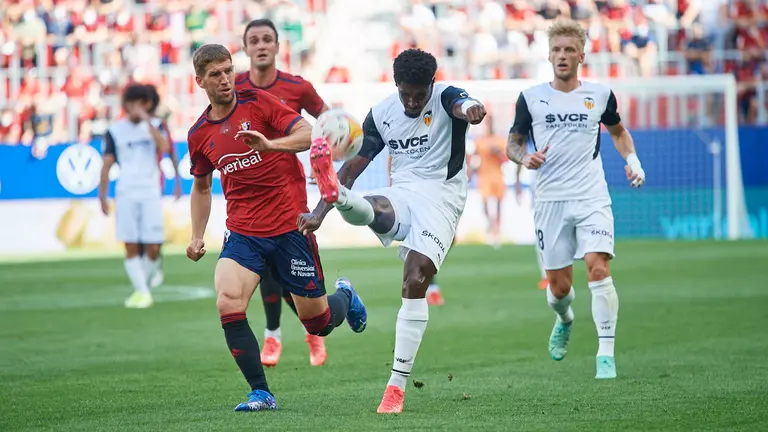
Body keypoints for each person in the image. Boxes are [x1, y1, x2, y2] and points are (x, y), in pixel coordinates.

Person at [298, 48, 486, 414]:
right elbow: (353, 165)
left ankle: (396, 387)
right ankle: (338, 197)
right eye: (406, 94)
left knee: (415, 277)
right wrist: (321, 210)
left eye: (420, 94)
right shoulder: (382, 113)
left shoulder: (446, 96)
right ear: (396, 85)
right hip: (402, 189)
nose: (413, 101)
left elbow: (464, 105)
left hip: (443, 197)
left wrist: (473, 110)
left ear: (431, 83)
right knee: (375, 209)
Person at [185, 44, 367, 412]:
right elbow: (202, 185)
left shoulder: (258, 102)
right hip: (243, 231)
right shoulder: (200, 133)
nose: (225, 80)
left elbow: (310, 134)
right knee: (228, 302)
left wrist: (271, 146)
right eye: (216, 74)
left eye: (228, 71)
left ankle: (345, 296)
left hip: (290, 227)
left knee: (318, 323)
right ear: (200, 81)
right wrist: (196, 235)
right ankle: (261, 392)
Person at [505, 20, 646, 380]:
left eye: (570, 50)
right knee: (560, 288)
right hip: (550, 200)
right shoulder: (531, 98)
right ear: (549, 55)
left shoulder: (599, 95)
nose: (563, 56)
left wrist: (632, 161)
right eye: (557, 50)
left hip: (591, 195)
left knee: (598, 268)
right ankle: (565, 318)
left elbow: (618, 132)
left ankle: (606, 355)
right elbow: (514, 143)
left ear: (581, 55)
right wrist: (524, 158)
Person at [237, 18, 331, 367]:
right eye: (254, 40)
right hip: (248, 191)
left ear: (277, 47)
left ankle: (312, 327)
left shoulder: (297, 87)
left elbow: (327, 123)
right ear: (245, 48)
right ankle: (275, 335)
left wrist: (324, 162)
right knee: (264, 266)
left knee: (288, 266)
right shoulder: (232, 87)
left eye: (267, 40)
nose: (261, 45)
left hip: (288, 189)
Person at [98, 84, 170, 309]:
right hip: (126, 192)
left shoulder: (156, 126)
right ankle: (143, 293)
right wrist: (102, 195)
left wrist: (147, 121)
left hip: (150, 192)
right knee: (130, 244)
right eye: (133, 103)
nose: (137, 107)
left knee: (154, 247)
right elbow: (107, 164)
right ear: (126, 104)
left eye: (142, 103)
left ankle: (142, 290)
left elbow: (165, 147)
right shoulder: (115, 130)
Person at [135, 84, 183, 290]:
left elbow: (169, 150)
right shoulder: (128, 125)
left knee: (151, 228)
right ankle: (143, 266)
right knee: (136, 230)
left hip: (154, 184)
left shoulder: (158, 124)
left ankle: (156, 264)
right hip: (132, 185)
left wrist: (178, 181)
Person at [472, 113, 507, 248]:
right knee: (485, 205)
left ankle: (496, 233)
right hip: (484, 175)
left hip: (498, 175)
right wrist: (471, 170)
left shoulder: (500, 140)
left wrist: (498, 152)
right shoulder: (480, 140)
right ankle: (492, 225)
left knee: (498, 205)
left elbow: (505, 160)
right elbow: (474, 157)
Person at [515, 150, 548, 290]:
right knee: (541, 233)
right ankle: (546, 276)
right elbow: (517, 148)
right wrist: (517, 179)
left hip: (557, 189)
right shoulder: (529, 133)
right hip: (538, 192)